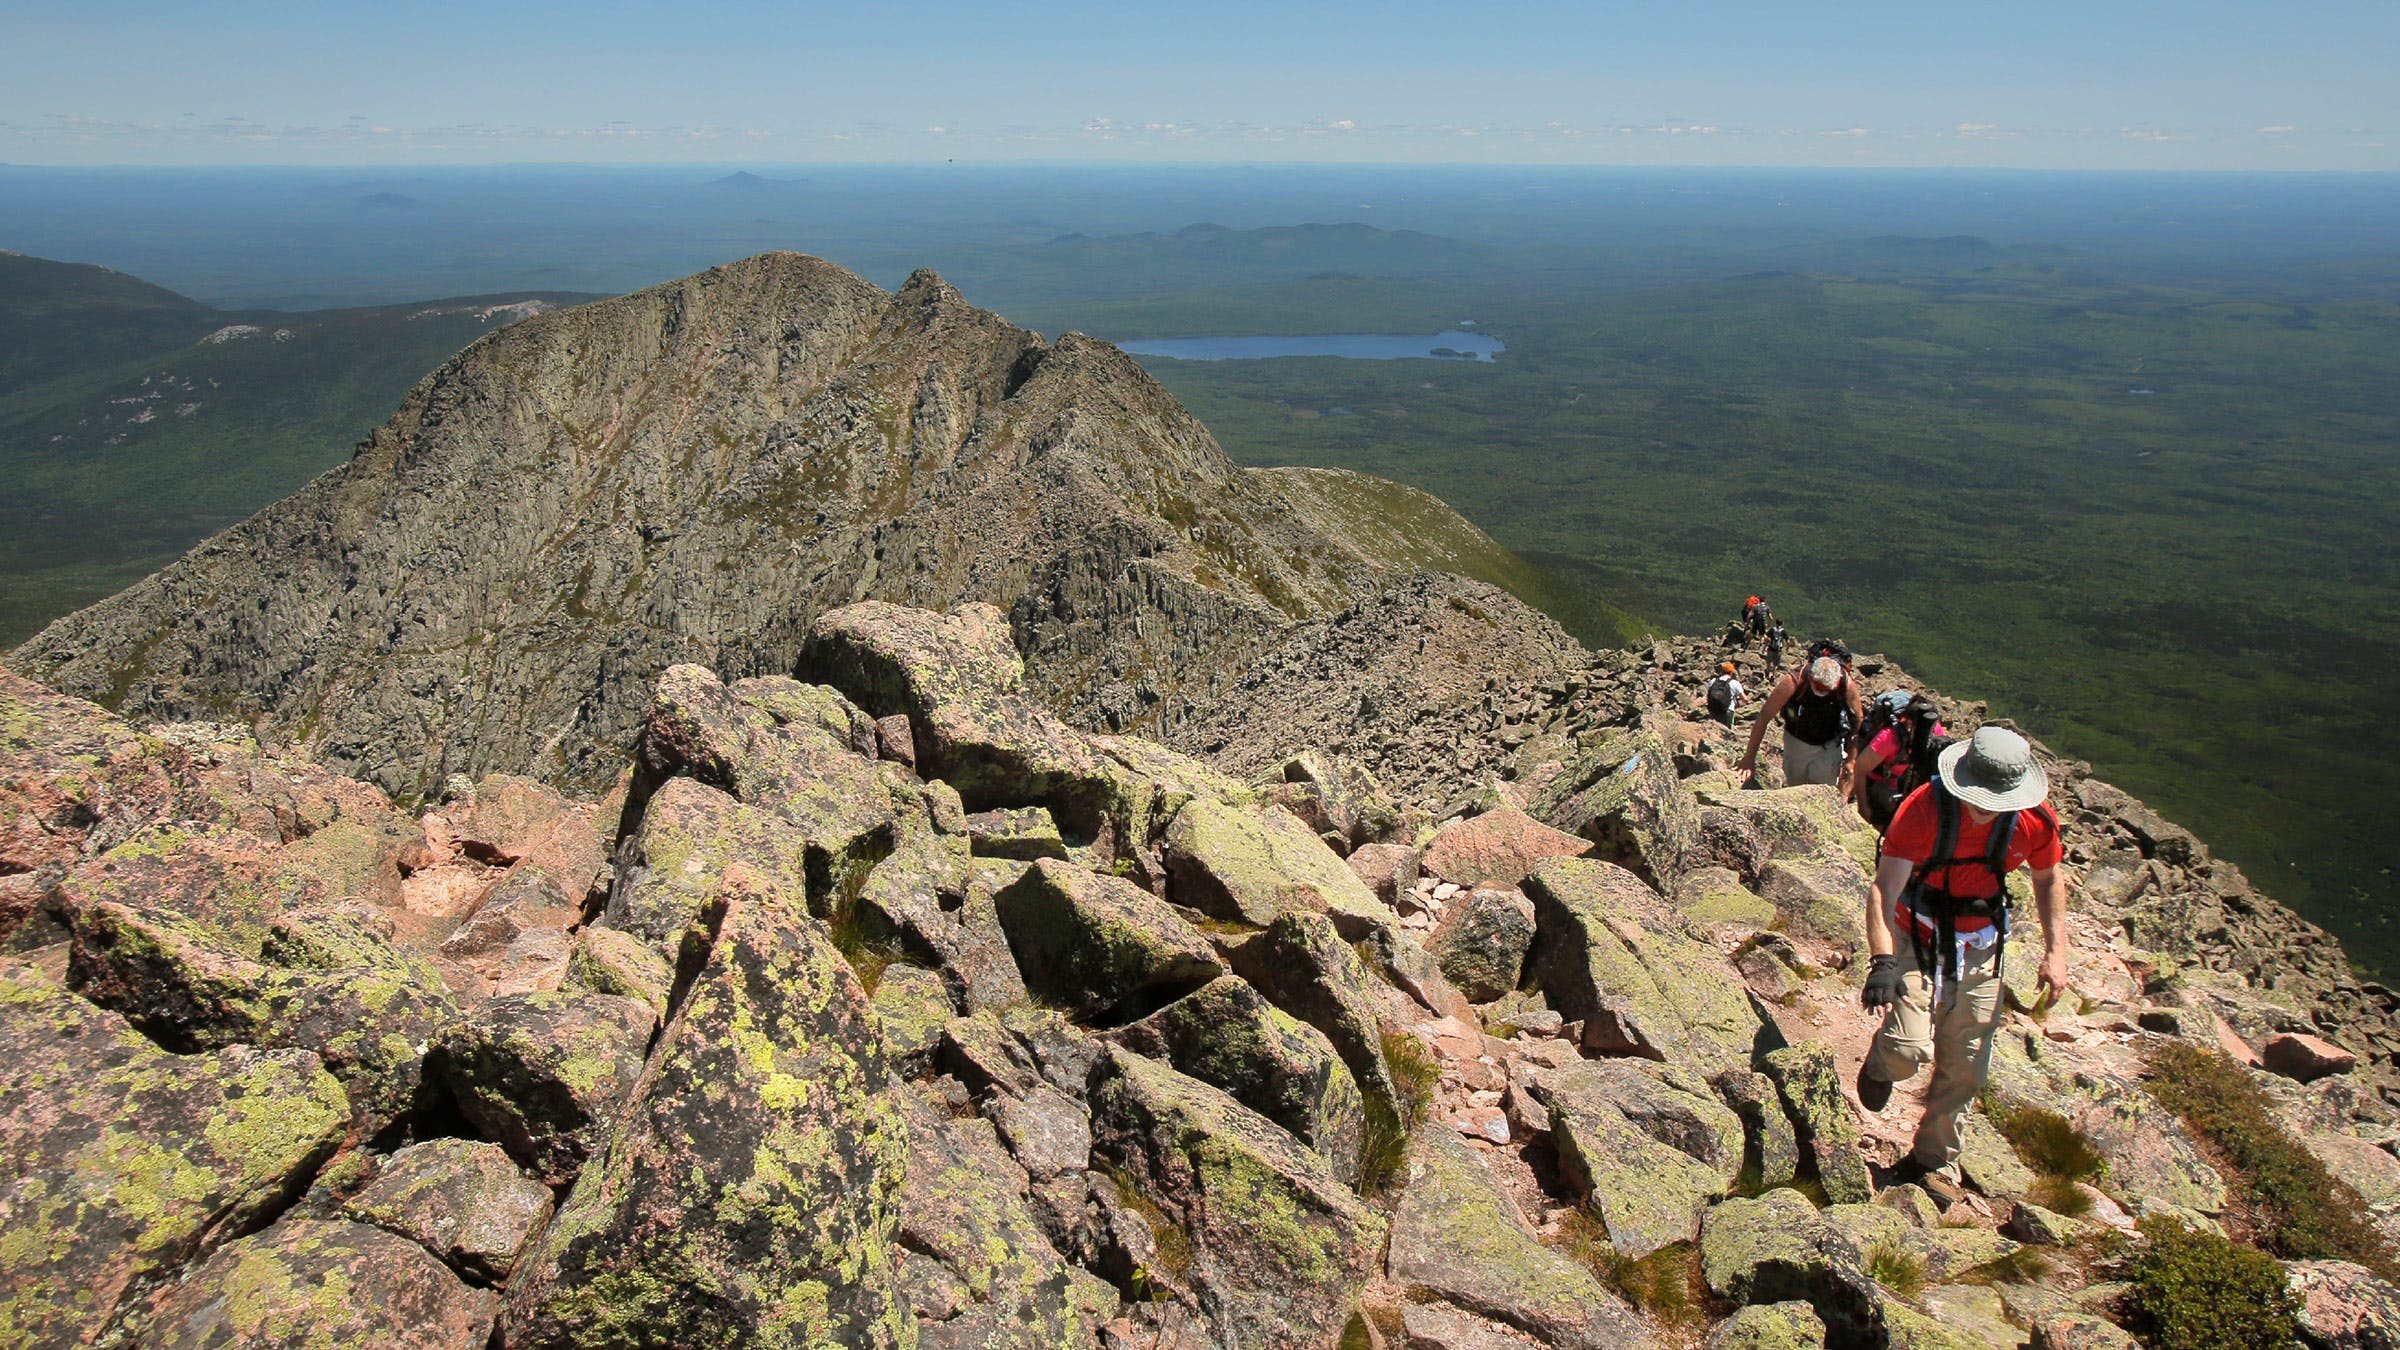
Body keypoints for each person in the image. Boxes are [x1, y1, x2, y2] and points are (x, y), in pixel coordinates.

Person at [1855, 726, 2071, 1186]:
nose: (1987, 809)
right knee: (1909, 1048)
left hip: (1981, 944)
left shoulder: (2035, 821)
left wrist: (2057, 952)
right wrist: (1883, 962)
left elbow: (2049, 879)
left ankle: (1933, 1161)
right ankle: (1881, 1064)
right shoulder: (1923, 811)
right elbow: (1884, 888)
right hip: (1916, 932)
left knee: (1967, 1063)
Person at [1737, 649, 1862, 788]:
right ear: (1811, 677)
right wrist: (1749, 757)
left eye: (1826, 689)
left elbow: (1858, 722)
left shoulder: (1847, 685)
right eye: (1818, 686)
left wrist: (1851, 759)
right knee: (1796, 787)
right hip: (1797, 741)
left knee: (1823, 791)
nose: (1822, 691)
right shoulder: (1794, 682)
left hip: (1829, 744)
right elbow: (1764, 717)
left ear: (1836, 683)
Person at [1848, 690, 1946, 832]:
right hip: (1879, 781)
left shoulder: (1934, 731)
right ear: (1909, 723)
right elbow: (1861, 769)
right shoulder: (1888, 738)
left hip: (1906, 778)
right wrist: (1863, 807)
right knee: (1886, 823)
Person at [1703, 662, 1744, 728]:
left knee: (1714, 730)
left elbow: (1708, 695)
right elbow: (1744, 699)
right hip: (1727, 710)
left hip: (1713, 710)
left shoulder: (1713, 681)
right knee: (1727, 732)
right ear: (1731, 672)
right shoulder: (1734, 683)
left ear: (1721, 671)